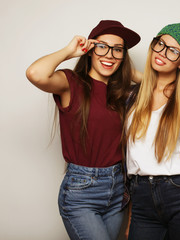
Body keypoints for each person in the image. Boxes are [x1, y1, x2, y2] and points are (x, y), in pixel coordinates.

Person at [26, 20, 140, 240]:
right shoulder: (72, 83)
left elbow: (162, 88)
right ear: (90, 50)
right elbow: (35, 73)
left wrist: (126, 70)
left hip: (118, 192)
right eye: (102, 46)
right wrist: (69, 51)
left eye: (118, 50)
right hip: (82, 192)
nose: (109, 54)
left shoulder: (123, 94)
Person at [125, 21, 180, 240]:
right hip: (141, 195)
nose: (163, 53)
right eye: (161, 43)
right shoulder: (130, 97)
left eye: (174, 51)